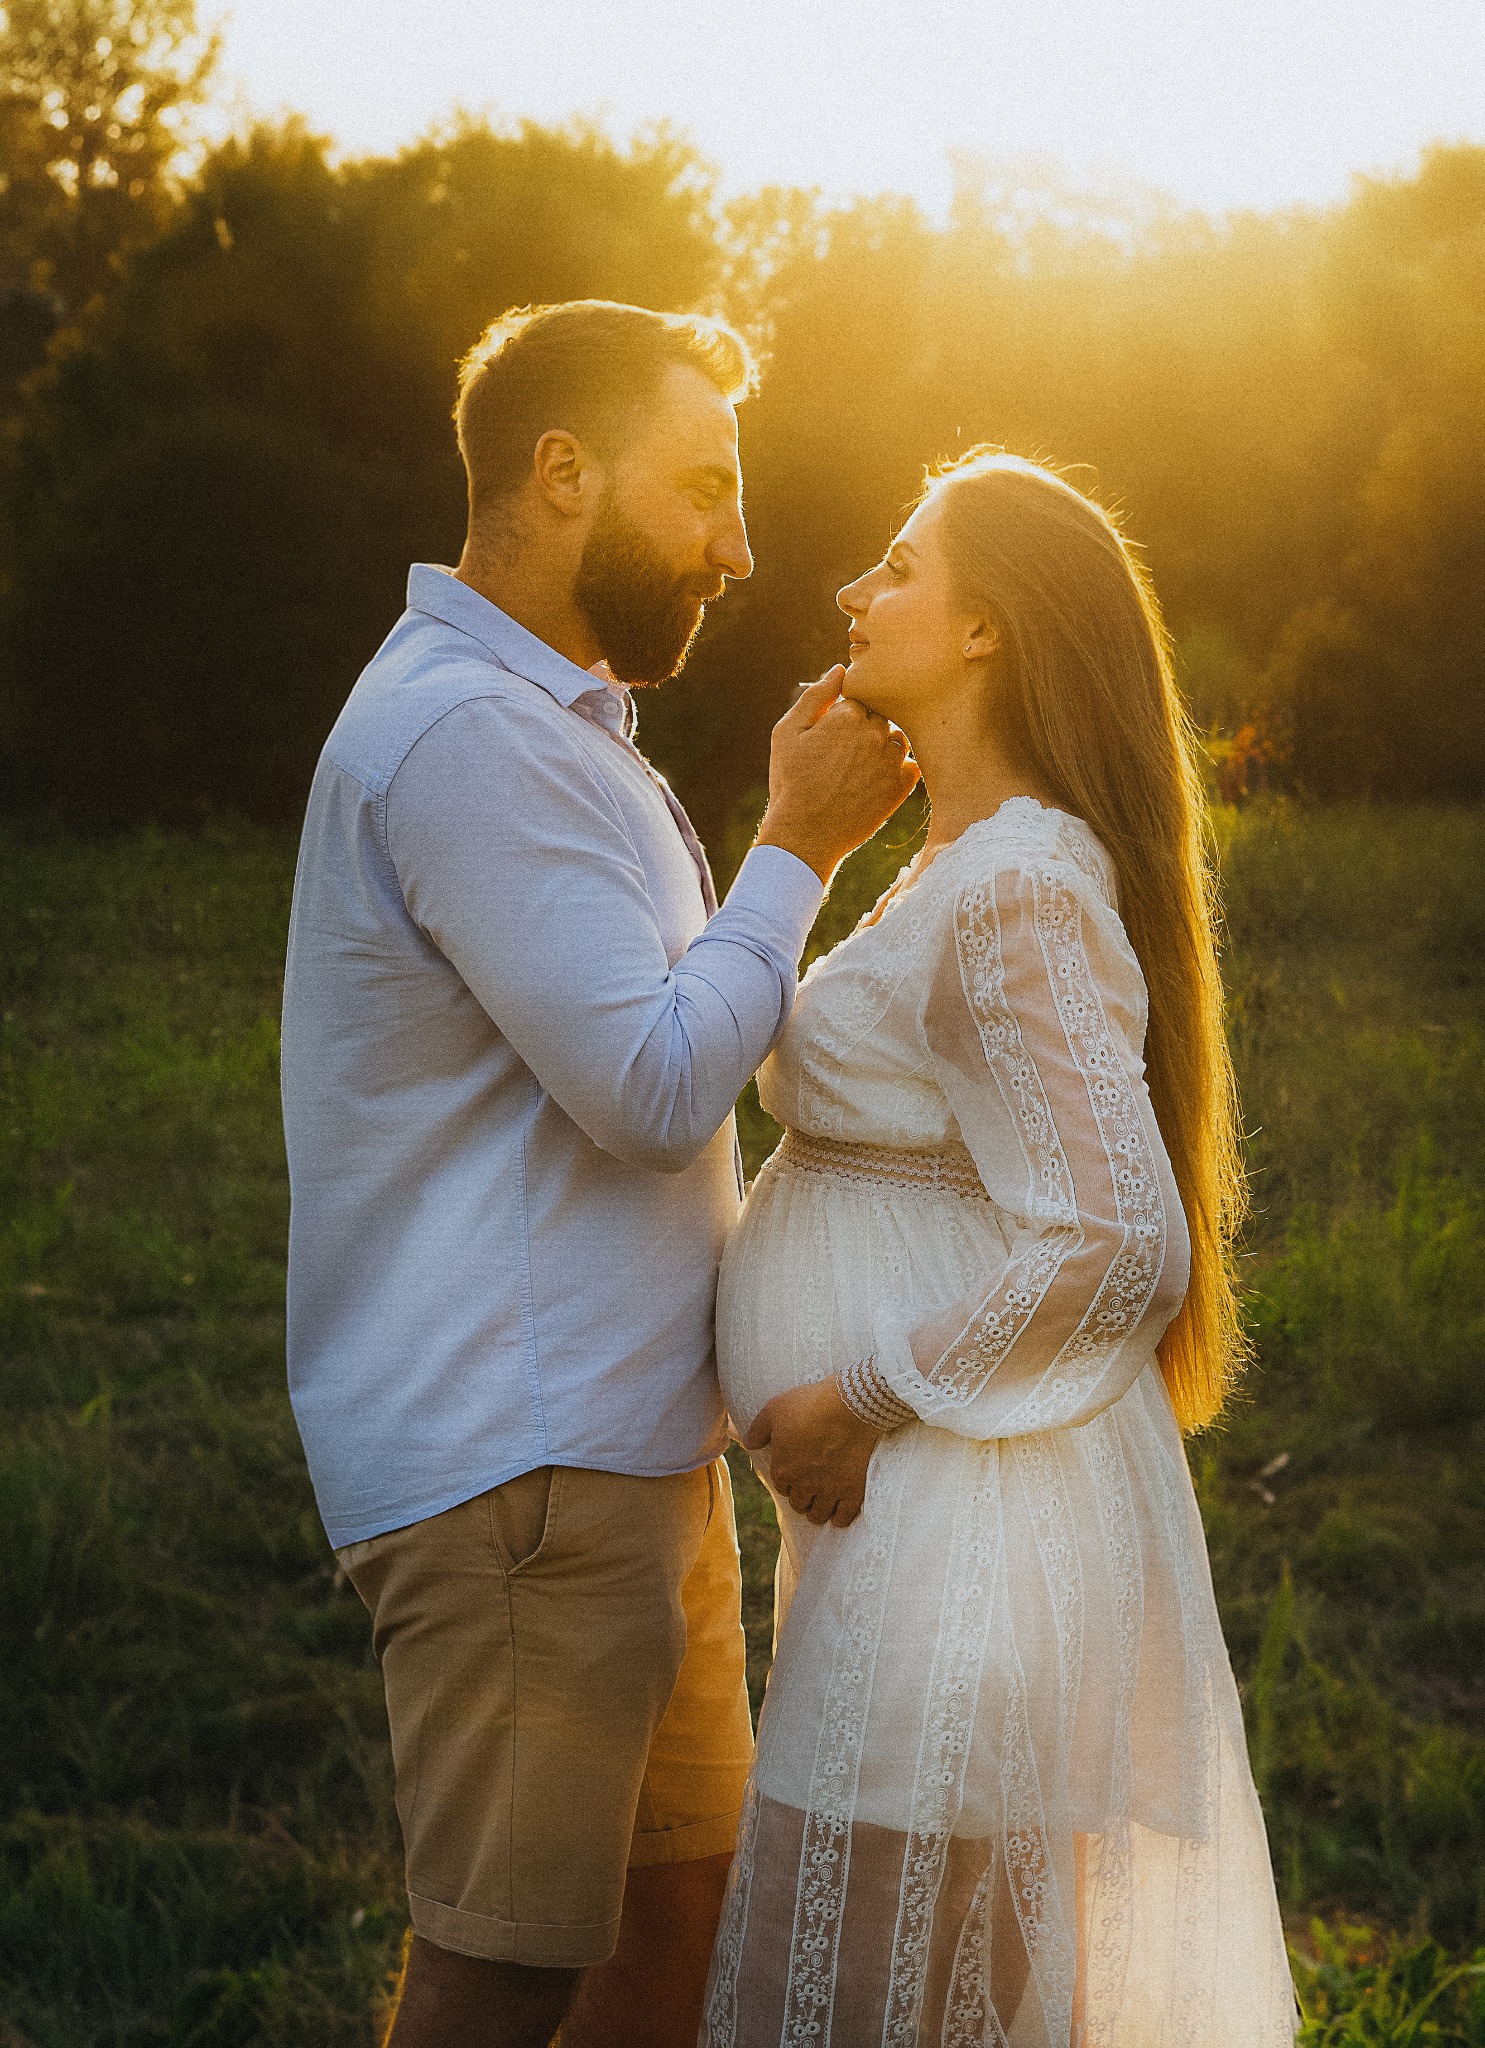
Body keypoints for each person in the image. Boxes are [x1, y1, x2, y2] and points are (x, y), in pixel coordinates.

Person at [279, 299, 917, 2048]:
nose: (739, 544)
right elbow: (645, 1083)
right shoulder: (468, 736)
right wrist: (798, 843)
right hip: (518, 1459)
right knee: (505, 1971)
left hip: (626, 1452)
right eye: (702, 488)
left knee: (668, 1935)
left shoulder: (557, 723)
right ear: (560, 474)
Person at [703, 451, 1298, 2045]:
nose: (851, 594)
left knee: (848, 2003)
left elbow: (1117, 1242)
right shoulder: (957, 870)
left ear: (990, 630)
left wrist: (860, 1397)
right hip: (933, 1523)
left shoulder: (1016, 888)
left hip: (965, 1529)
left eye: (897, 567)